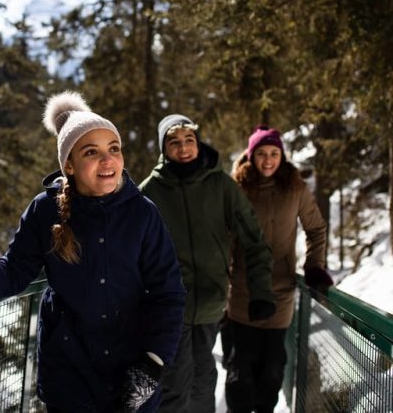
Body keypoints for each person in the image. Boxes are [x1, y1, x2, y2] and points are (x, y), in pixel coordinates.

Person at [0, 91, 186, 413]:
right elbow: (13, 273)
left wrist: (153, 363)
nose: (108, 161)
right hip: (69, 375)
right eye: (91, 152)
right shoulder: (45, 210)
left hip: (131, 374)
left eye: (114, 149)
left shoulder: (142, 213)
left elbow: (168, 293)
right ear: (69, 164)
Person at [139, 114, 276, 413]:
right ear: (164, 149)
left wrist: (261, 291)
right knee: (175, 384)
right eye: (174, 142)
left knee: (204, 379)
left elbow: (253, 238)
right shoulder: (150, 192)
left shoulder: (222, 185)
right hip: (169, 307)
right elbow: (130, 251)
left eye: (189, 140)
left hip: (212, 303)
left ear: (198, 143)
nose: (184, 147)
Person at [225, 124, 332, 413]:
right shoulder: (237, 189)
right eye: (261, 153)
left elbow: (316, 229)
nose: (268, 160)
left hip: (280, 291)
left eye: (274, 153)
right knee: (240, 370)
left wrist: (314, 267)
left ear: (282, 156)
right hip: (242, 292)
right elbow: (225, 239)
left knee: (273, 367)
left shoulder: (295, 187)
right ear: (251, 156)